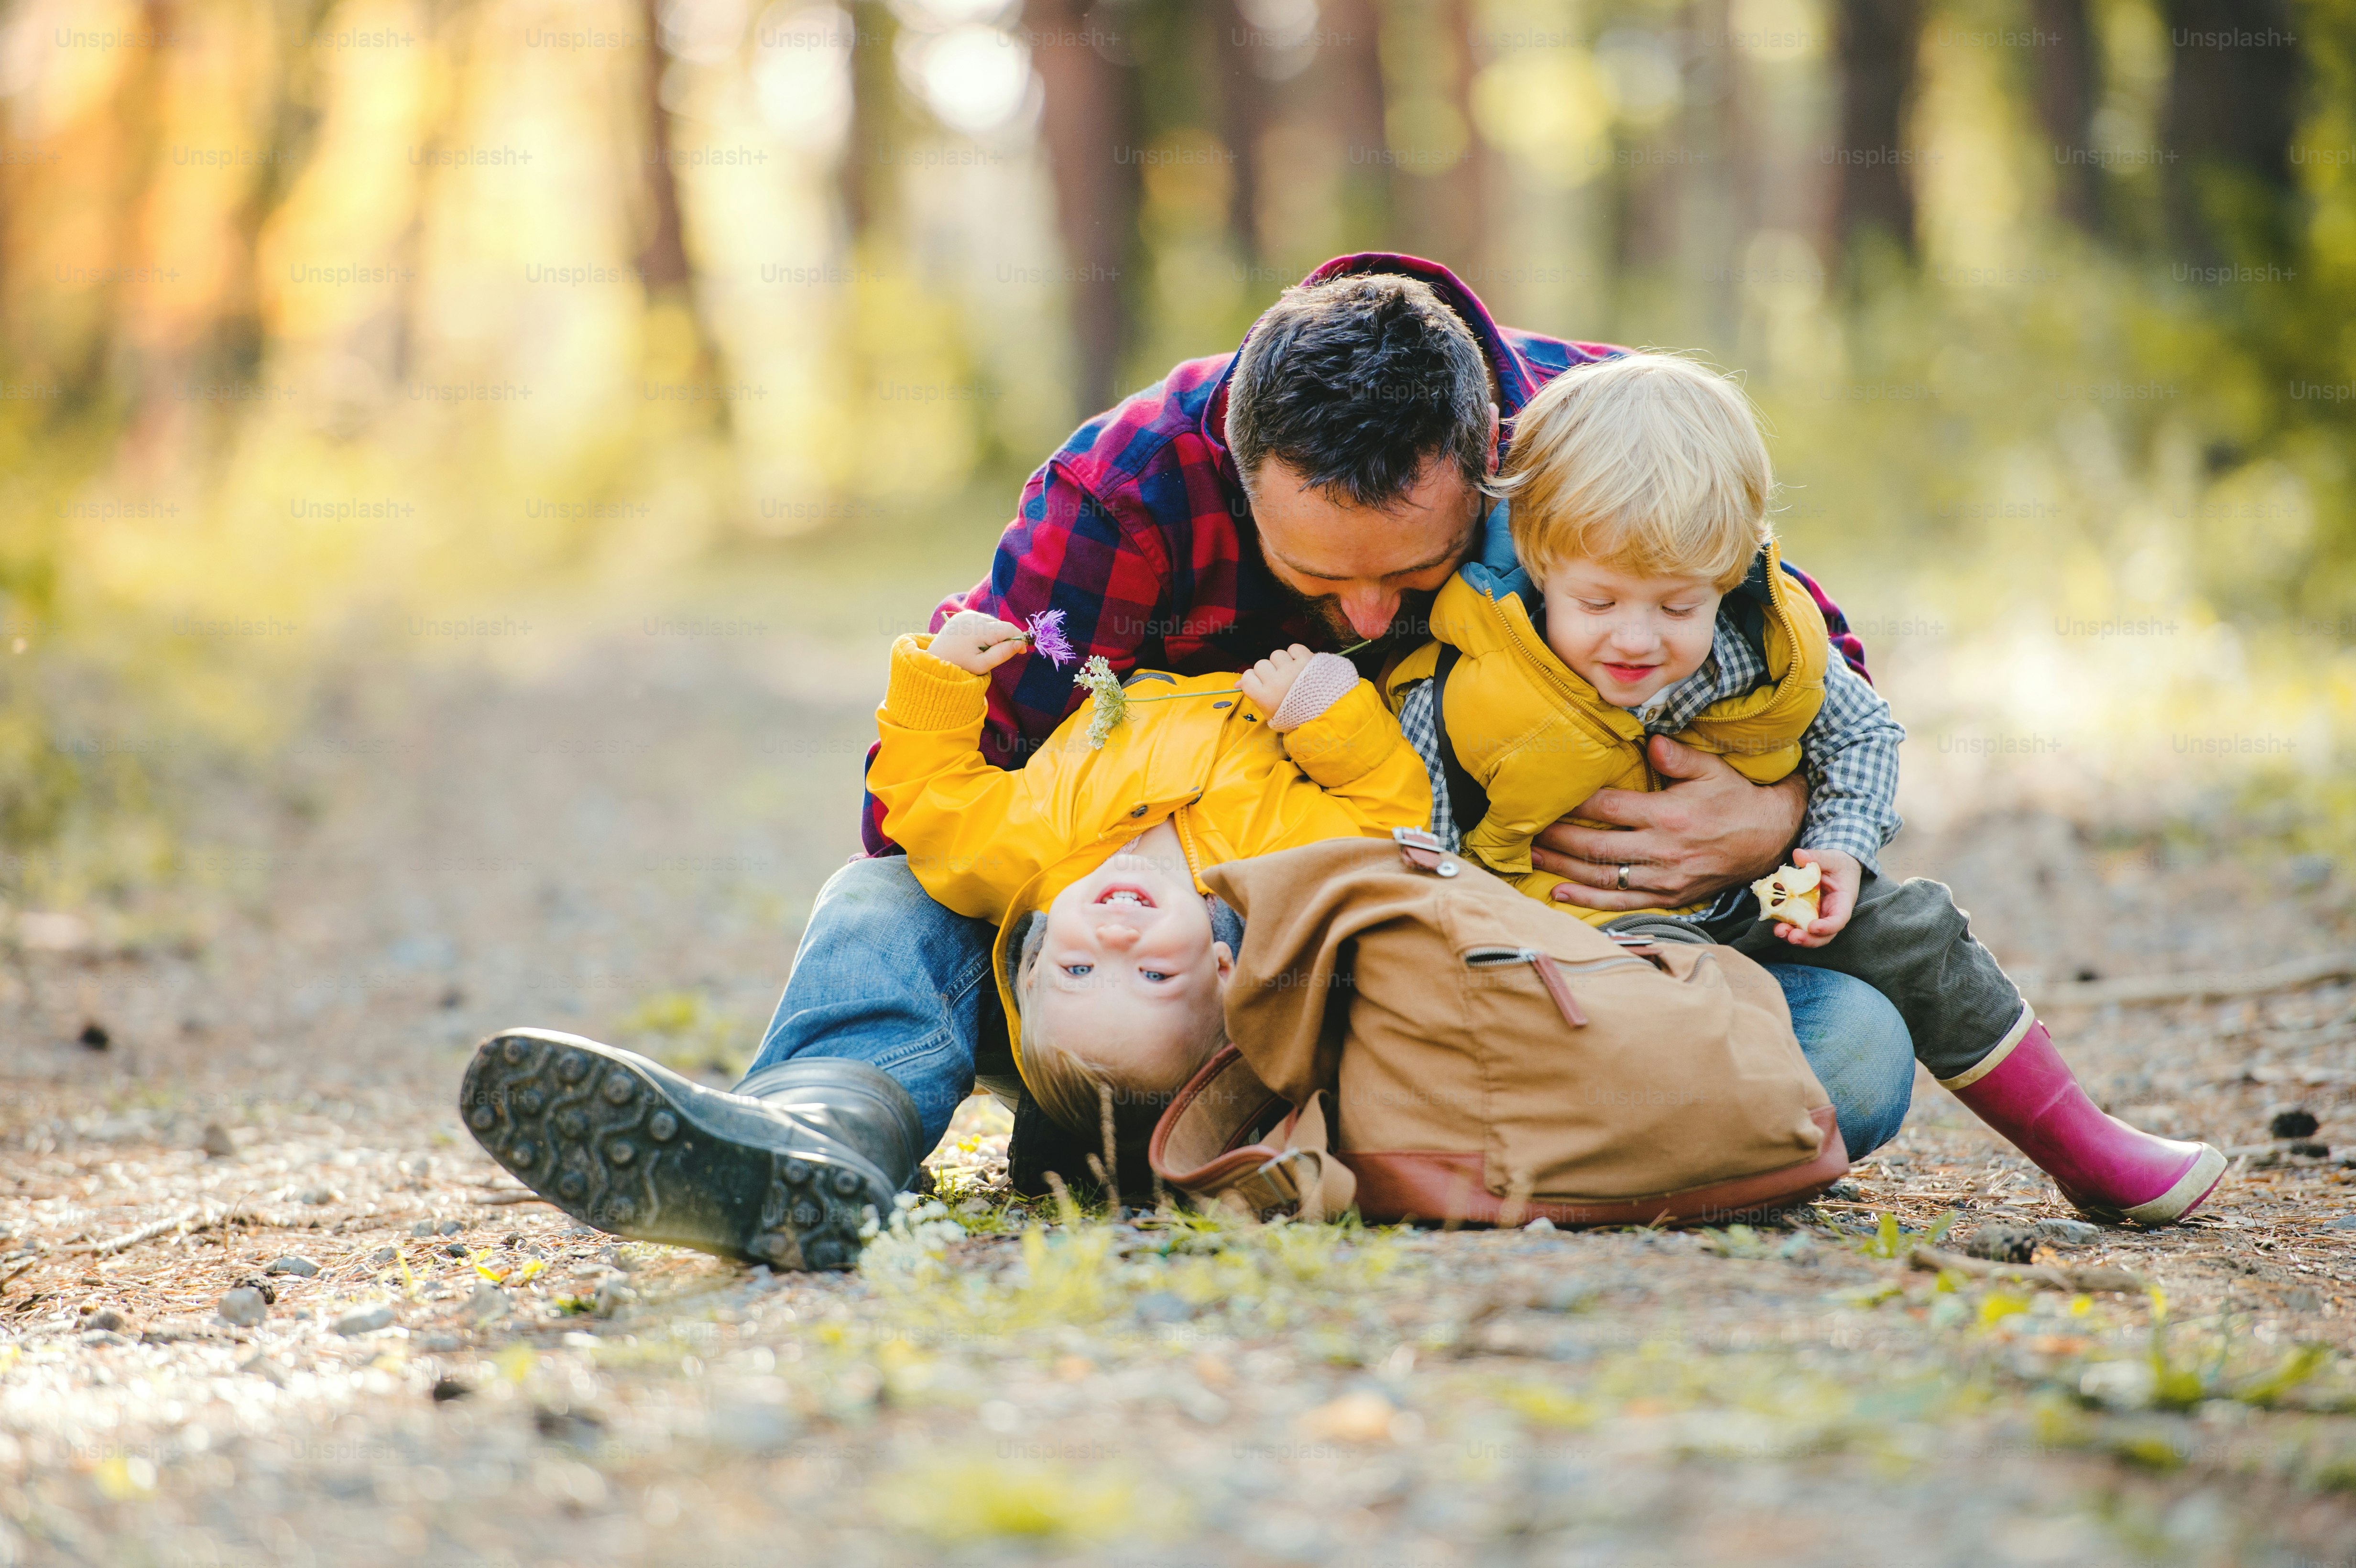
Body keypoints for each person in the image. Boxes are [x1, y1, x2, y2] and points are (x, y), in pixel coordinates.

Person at [460, 258, 1920, 1266]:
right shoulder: (1127, 486)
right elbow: (944, 826)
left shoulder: (1590, 433)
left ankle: (1225, 1123)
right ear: (1236, 461)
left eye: (1407, 577)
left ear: (1492, 464)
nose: (1358, 621)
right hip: (1177, 942)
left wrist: (1776, 811)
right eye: (1312, 573)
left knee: (1850, 1055)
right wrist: (1099, 881)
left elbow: (1807, 649)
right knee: (882, 904)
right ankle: (827, 1131)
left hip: (1503, 962)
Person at [1397, 351, 2224, 1224]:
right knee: (1667, 1011)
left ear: (1727, 571)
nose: (1636, 638)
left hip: (1757, 899)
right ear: (1536, 558)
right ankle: (1644, 1156)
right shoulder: (1463, 682)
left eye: (1677, 607)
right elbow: (1424, 852)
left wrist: (1834, 843)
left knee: (1911, 924)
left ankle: (2080, 1146)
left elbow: (1860, 732)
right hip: (1595, 938)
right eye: (1597, 603)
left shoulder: (1767, 642)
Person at [871, 610, 1425, 1140]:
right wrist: (1324, 709)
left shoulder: (1015, 853)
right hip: (1271, 669)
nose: (1115, 937)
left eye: (1080, 967)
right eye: (1154, 975)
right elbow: (1388, 827)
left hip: (1137, 650)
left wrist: (945, 674)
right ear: (1222, 969)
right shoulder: (1279, 870)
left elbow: (928, 798)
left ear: (1031, 969)